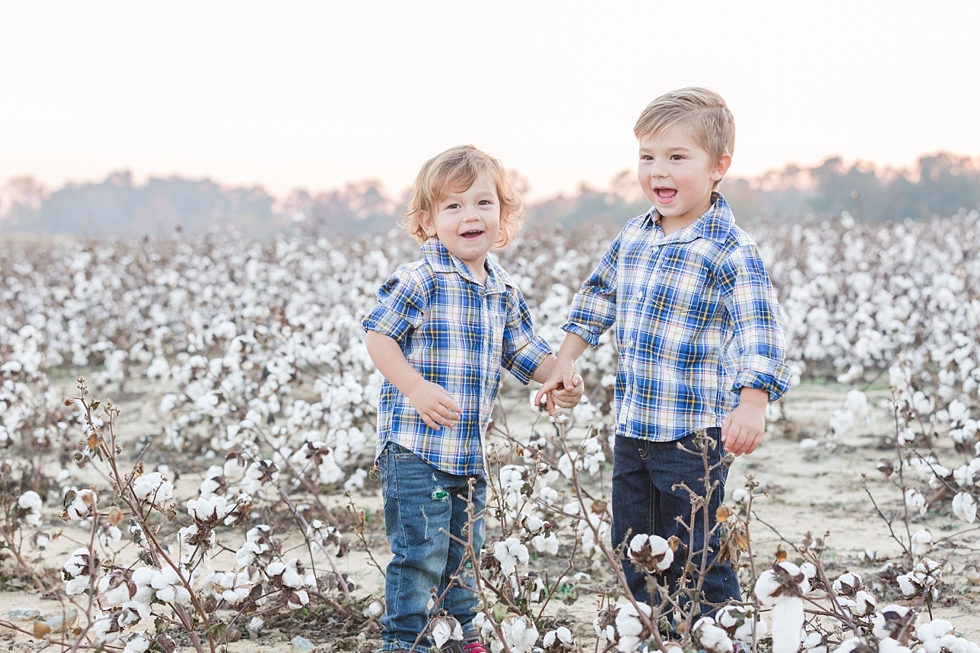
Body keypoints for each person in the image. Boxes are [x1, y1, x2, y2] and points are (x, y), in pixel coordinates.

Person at [535, 87, 792, 621]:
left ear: (719, 166)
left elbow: (758, 329)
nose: (659, 171)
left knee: (696, 547)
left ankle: (717, 630)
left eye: (677, 157)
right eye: (648, 157)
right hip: (633, 429)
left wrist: (752, 402)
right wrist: (566, 358)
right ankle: (651, 628)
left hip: (692, 435)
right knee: (634, 543)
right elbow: (597, 296)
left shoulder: (729, 249)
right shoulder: (635, 234)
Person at [363, 144, 583, 653]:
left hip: (469, 452)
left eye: (483, 203)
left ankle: (461, 636)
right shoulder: (422, 279)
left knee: (465, 549)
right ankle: (408, 642)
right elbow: (379, 336)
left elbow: (523, 350)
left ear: (503, 215)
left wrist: (559, 377)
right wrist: (415, 387)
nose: (470, 216)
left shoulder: (502, 287)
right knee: (420, 551)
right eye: (453, 206)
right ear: (428, 220)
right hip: (414, 448)